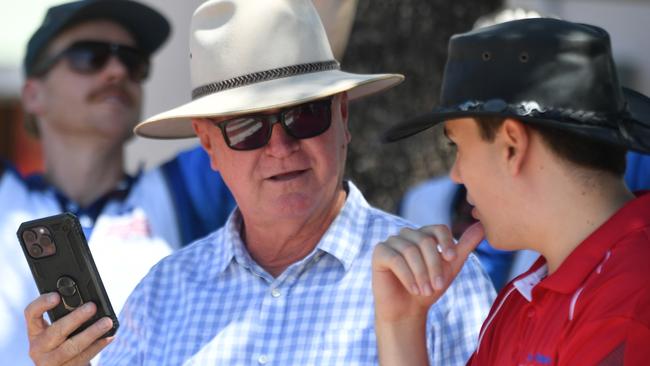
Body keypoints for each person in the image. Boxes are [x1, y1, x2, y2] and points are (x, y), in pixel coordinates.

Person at [23, 0, 496, 365]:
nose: (281, 147)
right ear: (208, 146)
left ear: (343, 117)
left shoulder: (441, 281)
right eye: (248, 127)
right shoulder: (162, 294)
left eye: (305, 114)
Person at [375, 18, 650, 365]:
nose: (456, 174)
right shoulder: (525, 295)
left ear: (511, 146)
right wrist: (402, 322)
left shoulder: (631, 303)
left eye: (457, 146)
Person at [1, 1, 234, 365]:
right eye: (89, 57)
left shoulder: (187, 188)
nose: (116, 71)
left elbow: (298, 58)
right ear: (33, 94)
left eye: (133, 62)